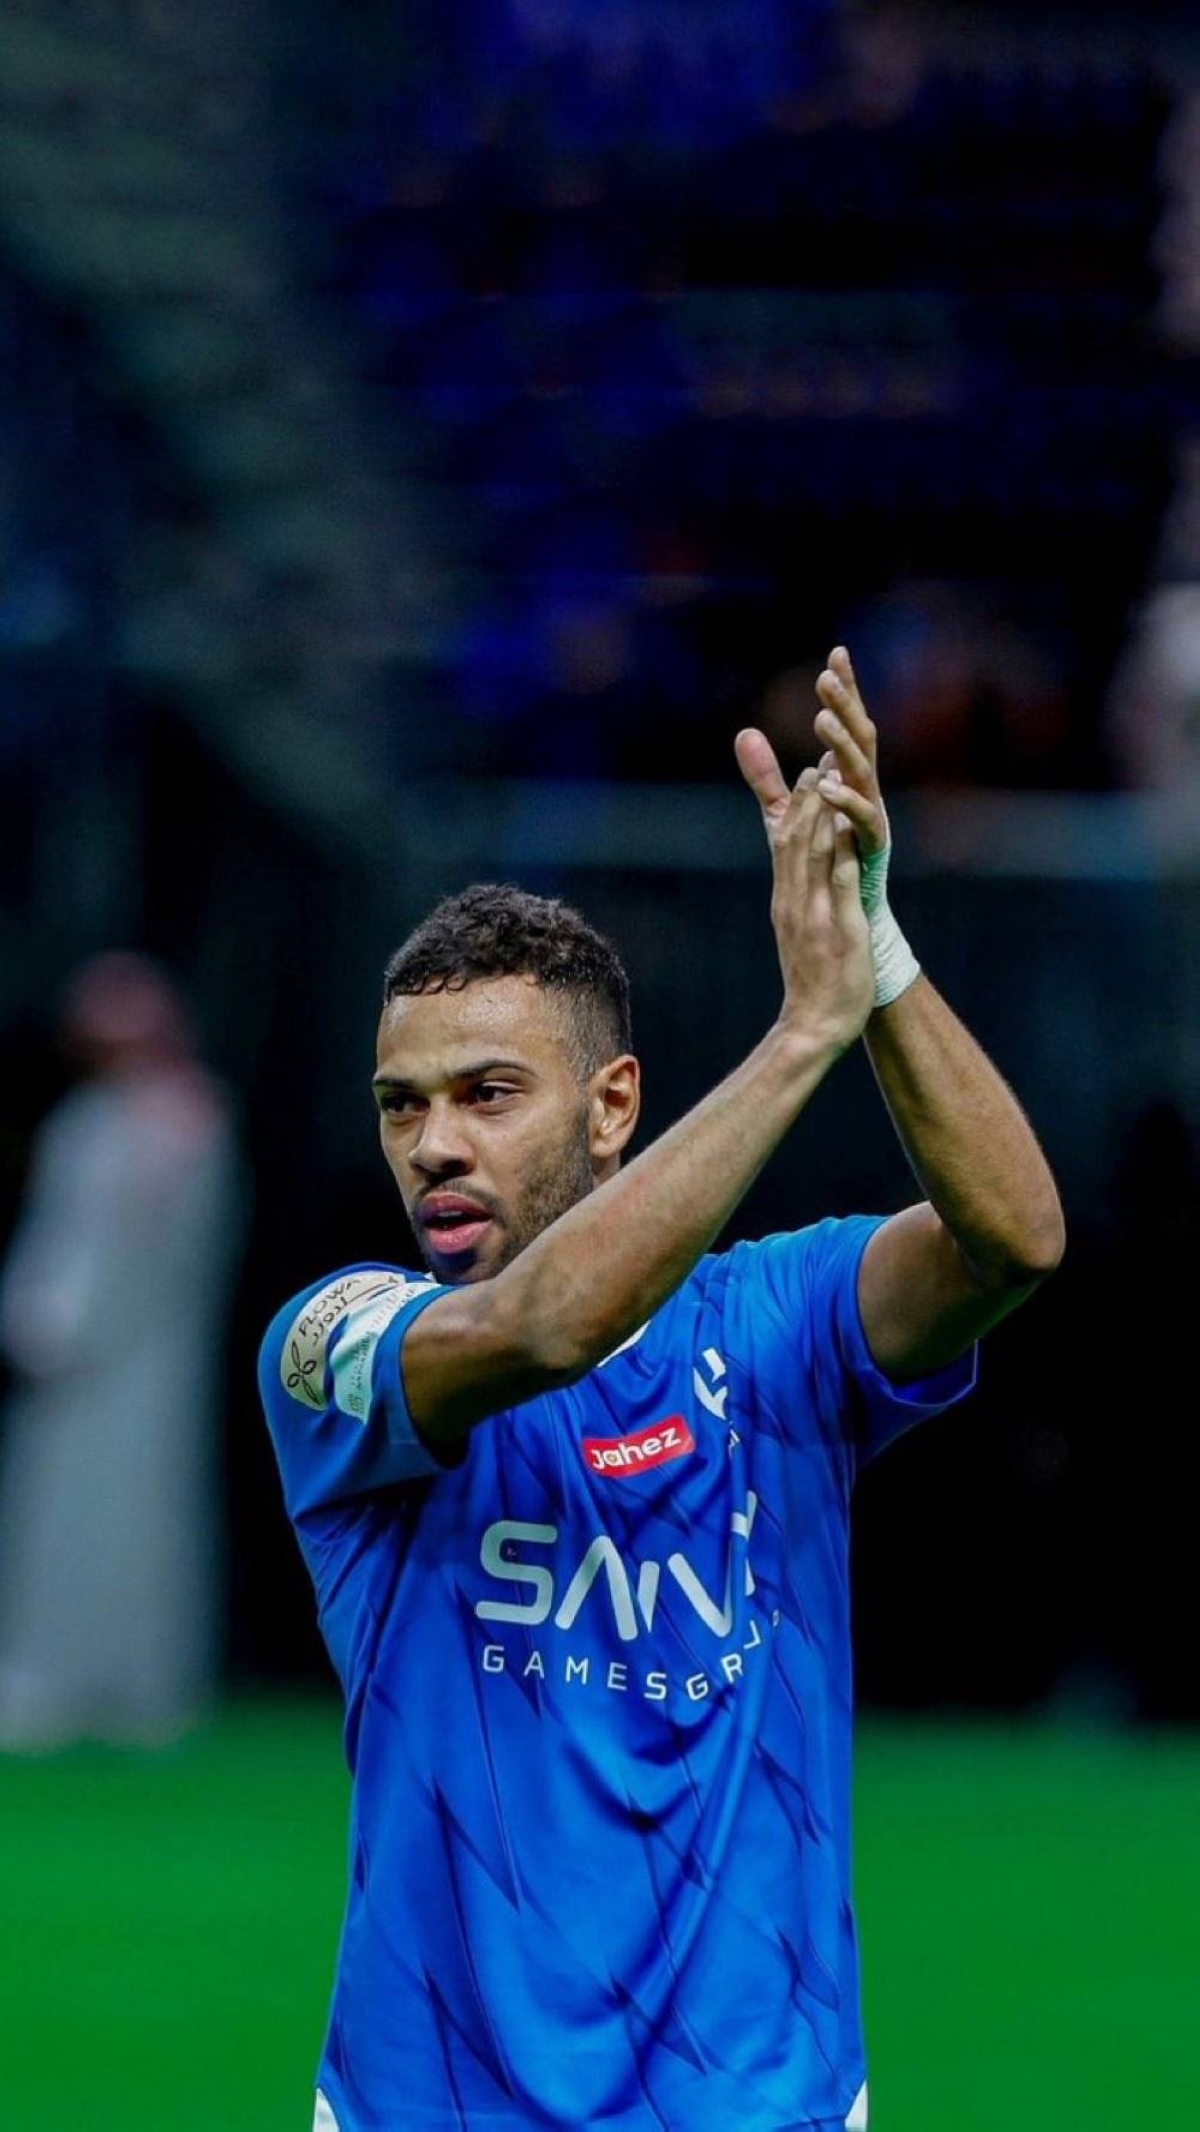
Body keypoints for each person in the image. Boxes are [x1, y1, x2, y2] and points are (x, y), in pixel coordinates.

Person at [260, 647, 1064, 2132]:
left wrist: (875, 951)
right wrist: (803, 1032)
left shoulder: (777, 1323)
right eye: (401, 1104)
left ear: (612, 1104)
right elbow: (548, 1325)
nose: (434, 1145)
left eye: (488, 1093)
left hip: (760, 2098)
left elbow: (1013, 1236)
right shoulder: (338, 1348)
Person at [0, 953, 241, 1748]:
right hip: (63, 1357)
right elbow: (56, 1235)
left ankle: (142, 1680)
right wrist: (37, 1317)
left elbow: (173, 1250)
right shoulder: (84, 1121)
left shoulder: (188, 1119)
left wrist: (97, 1324)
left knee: (144, 1508)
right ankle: (49, 1672)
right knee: (58, 1508)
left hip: (147, 1359)